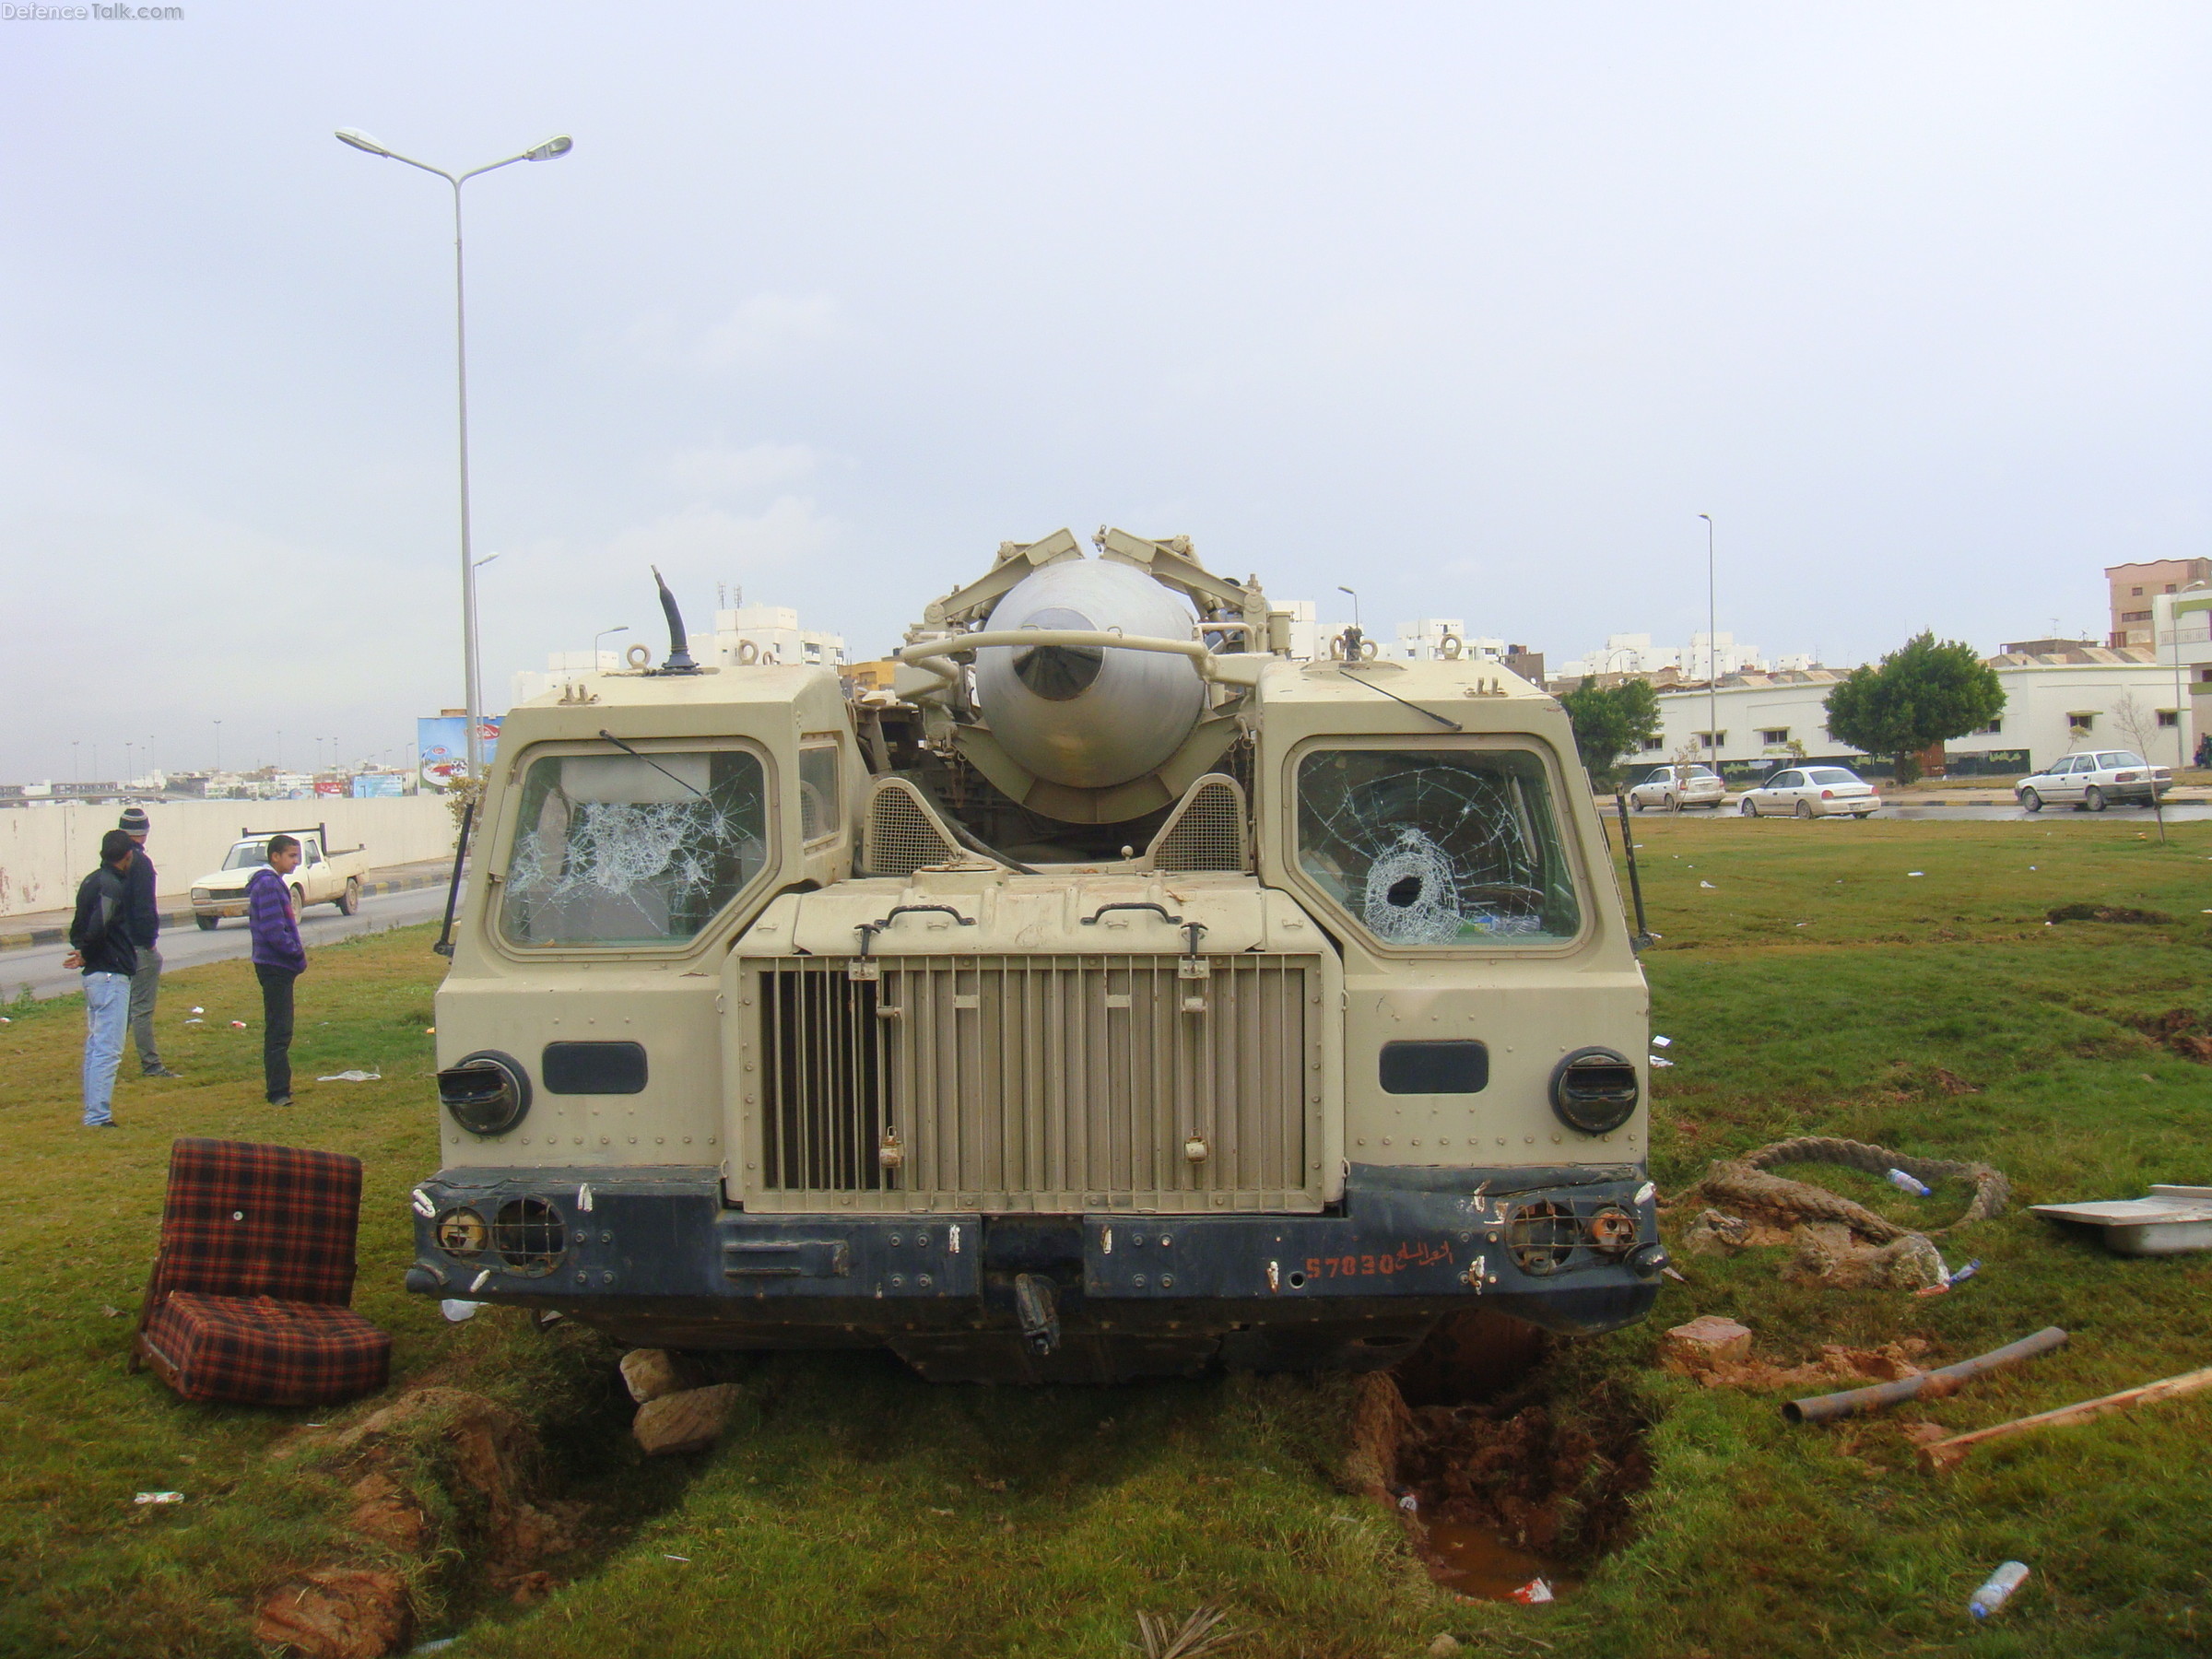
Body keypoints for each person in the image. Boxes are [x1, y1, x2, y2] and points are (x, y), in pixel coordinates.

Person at [63, 830, 141, 1129]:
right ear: (126, 856)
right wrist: (86, 951)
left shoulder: (91, 881)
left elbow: (79, 924)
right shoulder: (112, 885)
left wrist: (81, 949)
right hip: (110, 973)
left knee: (96, 1045)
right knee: (108, 1048)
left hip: (95, 975)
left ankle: (94, 1110)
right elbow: (100, 924)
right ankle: (98, 1115)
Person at [246, 833, 308, 1106]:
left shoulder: (272, 883)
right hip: (275, 965)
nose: (296, 862)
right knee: (279, 1030)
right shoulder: (269, 885)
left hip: (275, 964)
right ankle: (278, 1092)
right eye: (292, 856)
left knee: (280, 1028)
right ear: (275, 857)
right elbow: (274, 931)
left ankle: (280, 1088)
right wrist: (296, 953)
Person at [118, 806, 179, 1078]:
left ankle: (106, 1058)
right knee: (141, 1008)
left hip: (118, 944)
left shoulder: (113, 861)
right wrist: (149, 942)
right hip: (139, 945)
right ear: (144, 833)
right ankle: (151, 1064)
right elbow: (145, 907)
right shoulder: (141, 863)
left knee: (121, 1008)